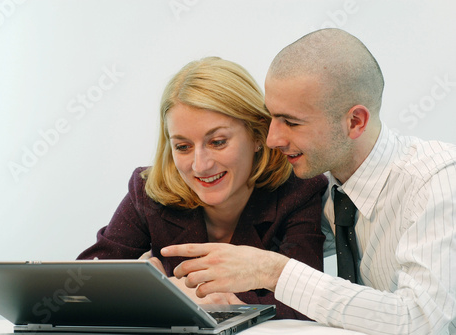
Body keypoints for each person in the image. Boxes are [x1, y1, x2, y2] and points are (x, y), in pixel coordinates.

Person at [160, 29, 456, 334]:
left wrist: (273, 271)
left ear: (355, 122)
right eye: (272, 117)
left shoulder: (435, 181)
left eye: (291, 122)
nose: (272, 138)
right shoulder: (329, 194)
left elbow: (422, 320)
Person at [77, 56, 328, 320]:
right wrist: (149, 290)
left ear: (257, 135)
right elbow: (78, 289)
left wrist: (179, 293)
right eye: (183, 147)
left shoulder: (300, 190)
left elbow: (308, 303)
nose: (200, 165)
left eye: (218, 142)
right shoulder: (148, 190)